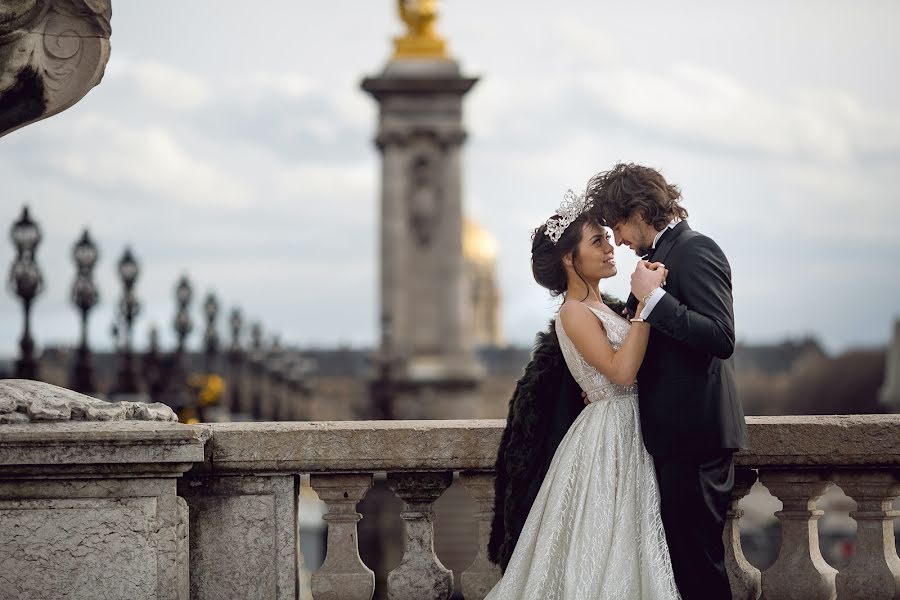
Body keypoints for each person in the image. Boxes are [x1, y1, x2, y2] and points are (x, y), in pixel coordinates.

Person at [486, 189, 680, 599]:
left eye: (609, 239)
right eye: (598, 242)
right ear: (569, 260)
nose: (611, 248)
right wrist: (648, 303)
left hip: (628, 429)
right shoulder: (573, 312)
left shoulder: (607, 308)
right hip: (608, 436)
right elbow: (622, 373)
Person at [584, 163, 749, 600]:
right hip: (674, 440)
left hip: (695, 438)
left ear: (638, 211)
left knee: (698, 569)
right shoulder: (658, 259)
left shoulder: (696, 250)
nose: (617, 240)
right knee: (681, 566)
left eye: (617, 226)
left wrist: (654, 298)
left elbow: (721, 337)